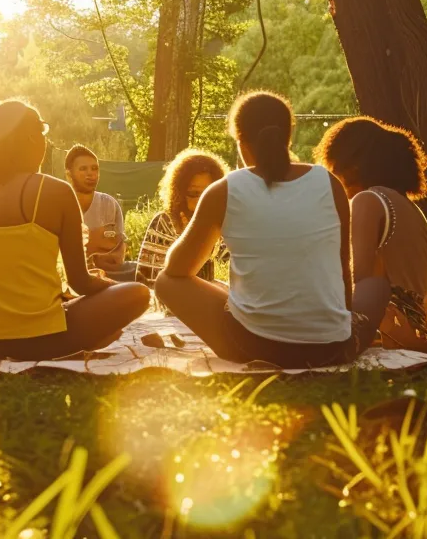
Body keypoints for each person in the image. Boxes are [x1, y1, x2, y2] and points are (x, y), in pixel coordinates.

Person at [154, 92, 387, 368]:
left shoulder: (224, 190)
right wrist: (342, 330)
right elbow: (342, 272)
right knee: (376, 285)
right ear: (289, 138)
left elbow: (177, 269)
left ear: (241, 142)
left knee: (166, 282)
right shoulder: (329, 183)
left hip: (251, 346)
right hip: (331, 349)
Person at [0, 100, 151, 361]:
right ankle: (82, 339)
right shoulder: (56, 191)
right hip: (42, 340)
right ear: (31, 138)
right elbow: (80, 282)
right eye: (42, 131)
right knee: (137, 293)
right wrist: (109, 286)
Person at [318, 117, 427, 355]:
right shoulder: (408, 206)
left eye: (333, 169)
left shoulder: (368, 200)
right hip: (413, 327)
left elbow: (360, 280)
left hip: (386, 328)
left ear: (351, 167)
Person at [134, 149, 227, 284]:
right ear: (179, 193)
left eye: (208, 193)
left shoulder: (222, 224)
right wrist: (188, 242)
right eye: (194, 193)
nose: (202, 200)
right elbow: (150, 281)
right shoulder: (165, 223)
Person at [66, 145, 136, 281]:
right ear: (69, 174)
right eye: (83, 169)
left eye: (94, 168)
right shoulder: (61, 205)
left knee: (142, 271)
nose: (90, 173)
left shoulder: (110, 204)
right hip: (74, 276)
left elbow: (119, 252)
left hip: (110, 274)